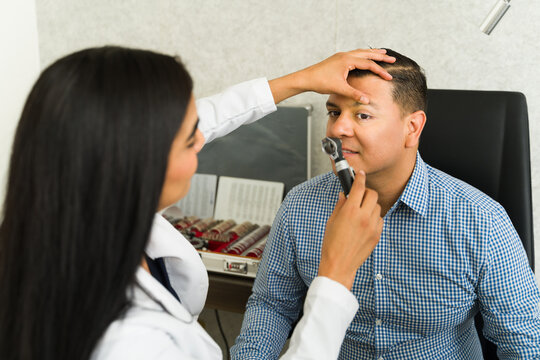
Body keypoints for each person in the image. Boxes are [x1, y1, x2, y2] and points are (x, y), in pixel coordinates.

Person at [0, 46, 395, 360]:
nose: (203, 140)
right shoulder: (135, 344)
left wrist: (300, 80)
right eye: (191, 137)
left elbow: (207, 116)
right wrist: (336, 276)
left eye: (363, 114)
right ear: (139, 160)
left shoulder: (69, 211)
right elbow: (272, 305)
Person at [232, 49, 540, 359]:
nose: (338, 129)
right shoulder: (299, 205)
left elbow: (524, 343)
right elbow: (272, 306)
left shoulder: (482, 220)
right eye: (334, 112)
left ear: (413, 128)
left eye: (362, 114)